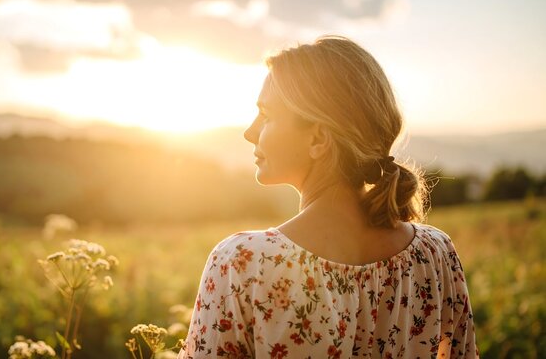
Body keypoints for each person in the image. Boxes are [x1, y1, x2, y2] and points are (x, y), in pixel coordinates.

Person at [177, 35, 478, 358]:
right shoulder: (435, 254)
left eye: (266, 115)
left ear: (318, 138)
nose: (250, 132)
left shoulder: (243, 264)